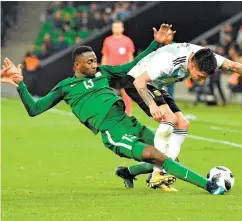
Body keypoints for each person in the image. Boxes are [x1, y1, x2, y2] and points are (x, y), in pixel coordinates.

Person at [3, 24, 226, 195]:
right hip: (112, 132)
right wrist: (20, 83)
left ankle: (127, 172)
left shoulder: (105, 72)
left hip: (127, 121)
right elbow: (34, 109)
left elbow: (132, 65)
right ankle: (210, 187)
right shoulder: (65, 87)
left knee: (169, 159)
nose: (93, 64)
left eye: (94, 60)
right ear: (76, 66)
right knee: (156, 156)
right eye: (88, 62)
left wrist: (155, 44)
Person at [117, 34, 242, 190]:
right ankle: (157, 174)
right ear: (191, 65)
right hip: (137, 82)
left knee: (183, 124)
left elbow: (234, 66)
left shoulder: (206, 58)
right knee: (169, 118)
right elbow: (139, 82)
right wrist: (152, 105)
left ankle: (137, 172)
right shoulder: (168, 62)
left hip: (156, 86)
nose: (202, 80)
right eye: (201, 76)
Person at [101, 20, 135, 116]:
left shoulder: (127, 41)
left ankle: (128, 113)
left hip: (123, 71)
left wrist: (131, 69)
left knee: (126, 92)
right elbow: (105, 55)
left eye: (118, 27)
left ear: (122, 28)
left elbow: (130, 56)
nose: (116, 29)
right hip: (111, 71)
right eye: (114, 27)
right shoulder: (107, 40)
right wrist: (103, 69)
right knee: (108, 91)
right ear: (112, 29)